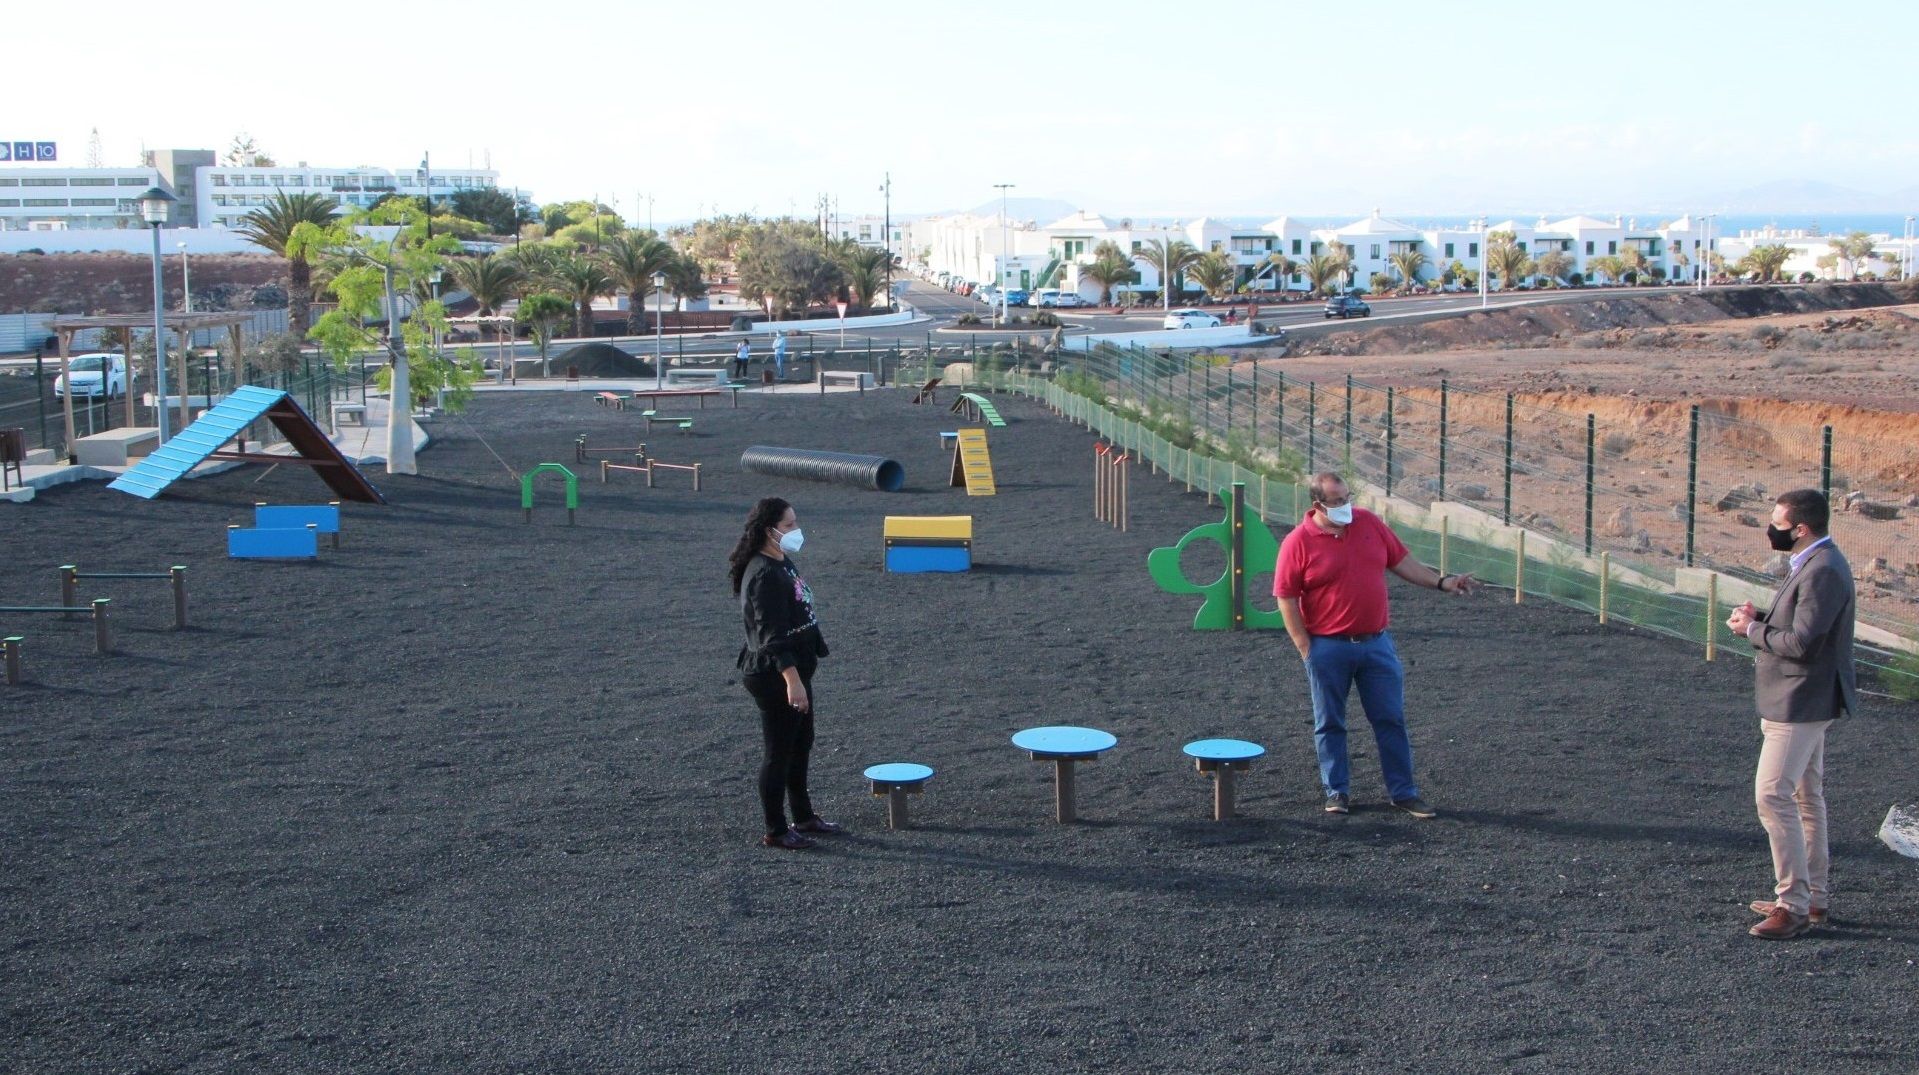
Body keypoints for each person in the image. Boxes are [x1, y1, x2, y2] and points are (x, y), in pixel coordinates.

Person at [1273, 472, 1480, 818]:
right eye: (1337, 502)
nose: (1345, 507)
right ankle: (1336, 791)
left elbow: (1403, 562)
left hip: (1376, 645)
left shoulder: (1369, 523)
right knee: (1330, 722)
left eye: (1347, 497)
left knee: (1390, 719)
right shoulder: (1298, 542)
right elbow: (1286, 597)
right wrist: (1305, 647)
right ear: (1317, 505)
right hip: (1328, 647)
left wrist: (1442, 582)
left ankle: (1403, 792)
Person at [1726, 489, 1855, 940]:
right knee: (1805, 797)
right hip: (1806, 699)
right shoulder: (1816, 563)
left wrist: (1752, 630)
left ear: (1800, 529)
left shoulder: (1822, 570)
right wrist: (1761, 616)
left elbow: (1801, 644)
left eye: (1777, 522)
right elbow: (1804, 625)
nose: (1772, 529)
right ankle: (1812, 896)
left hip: (1800, 701)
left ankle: (1793, 904)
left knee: (1772, 795)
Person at [730, 497, 839, 850]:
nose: (796, 530)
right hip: (775, 676)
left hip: (795, 670)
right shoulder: (763, 574)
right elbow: (771, 635)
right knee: (778, 751)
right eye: (789, 525)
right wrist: (793, 682)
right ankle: (775, 830)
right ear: (769, 531)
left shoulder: (780, 560)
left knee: (800, 743)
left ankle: (803, 815)